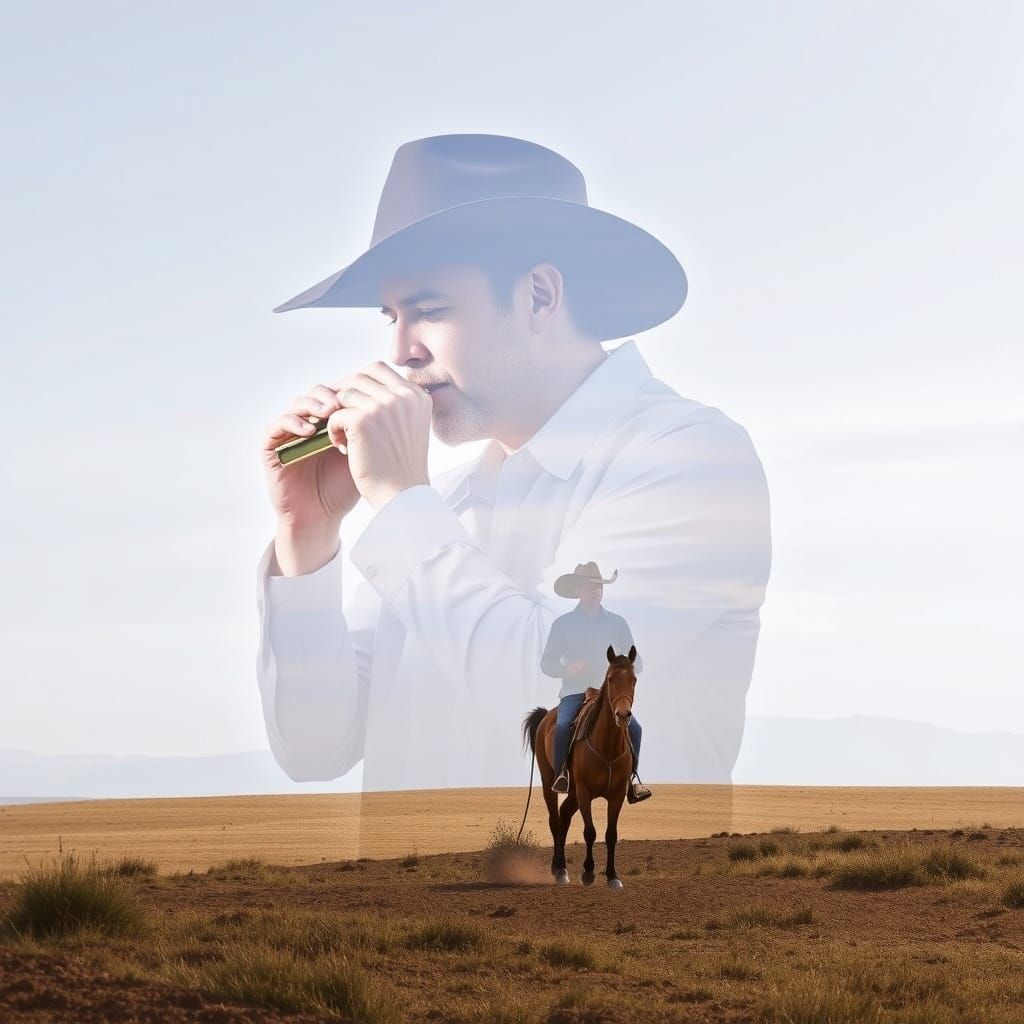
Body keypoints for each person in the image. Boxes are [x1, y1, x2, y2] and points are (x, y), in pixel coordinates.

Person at [256, 133, 772, 797]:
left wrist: (400, 501)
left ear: (538, 296)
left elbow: (555, 693)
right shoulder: (434, 504)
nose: (400, 351)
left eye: (430, 312)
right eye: (392, 318)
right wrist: (308, 532)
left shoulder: (691, 457)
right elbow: (314, 748)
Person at [540, 561, 652, 803]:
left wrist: (629, 667)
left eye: (600, 586)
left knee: (636, 728)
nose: (597, 591)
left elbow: (637, 657)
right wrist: (567, 669)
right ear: (578, 590)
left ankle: (632, 781)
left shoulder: (617, 623)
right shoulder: (562, 625)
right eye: (591, 587)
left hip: (608, 695)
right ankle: (562, 776)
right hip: (574, 691)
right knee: (562, 725)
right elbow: (546, 664)